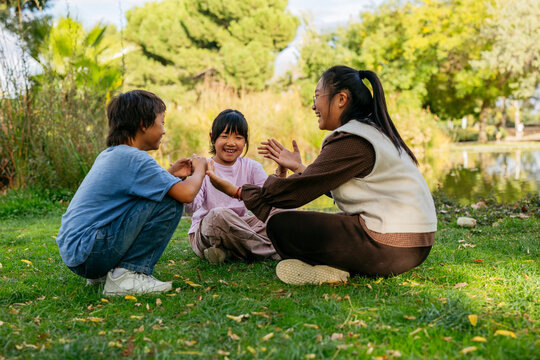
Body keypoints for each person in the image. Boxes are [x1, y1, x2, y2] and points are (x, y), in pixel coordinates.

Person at [206, 65, 437, 285]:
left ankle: (334, 268)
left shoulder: (351, 139)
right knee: (317, 220)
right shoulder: (373, 132)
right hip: (414, 246)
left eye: (317, 96)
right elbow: (324, 182)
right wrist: (299, 168)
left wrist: (237, 191)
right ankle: (335, 265)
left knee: (280, 224)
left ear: (341, 99)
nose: (314, 106)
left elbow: (292, 194)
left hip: (390, 246)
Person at [56, 90, 207, 295]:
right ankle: (127, 275)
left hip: (77, 253)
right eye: (162, 122)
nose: (164, 130)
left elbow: (133, 193)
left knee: (163, 192)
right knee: (171, 201)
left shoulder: (111, 155)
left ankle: (106, 273)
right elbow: (187, 194)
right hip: (91, 251)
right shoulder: (135, 158)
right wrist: (200, 168)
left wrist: (171, 174)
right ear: (144, 124)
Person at [185, 109, 282, 264]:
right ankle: (273, 252)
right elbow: (192, 208)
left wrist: (281, 172)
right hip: (208, 231)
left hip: (241, 225)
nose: (231, 143)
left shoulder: (252, 167)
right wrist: (188, 181)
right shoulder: (203, 166)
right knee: (218, 215)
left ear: (245, 141)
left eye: (238, 137)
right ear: (213, 138)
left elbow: (270, 201)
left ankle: (228, 251)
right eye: (224, 136)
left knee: (282, 211)